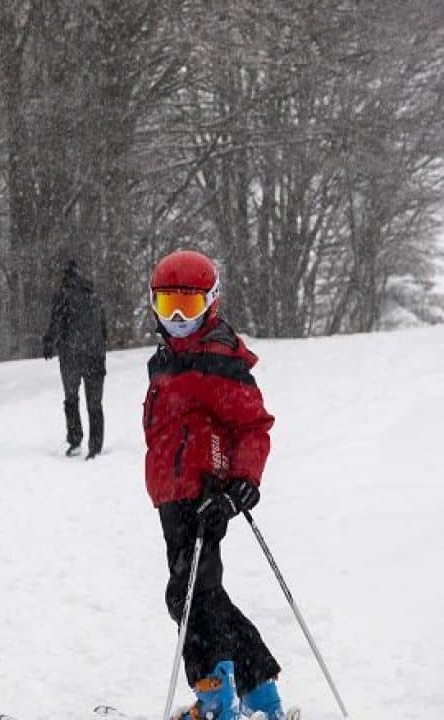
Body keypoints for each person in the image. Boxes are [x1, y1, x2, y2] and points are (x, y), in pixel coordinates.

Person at [144, 250, 289, 720]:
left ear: (212, 302)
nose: (180, 318)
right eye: (168, 305)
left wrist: (243, 481)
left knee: (189, 596)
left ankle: (215, 699)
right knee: (204, 595)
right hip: (170, 495)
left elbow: (254, 425)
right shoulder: (165, 360)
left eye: (189, 305)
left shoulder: (219, 362)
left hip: (205, 497)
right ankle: (259, 690)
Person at [42, 259, 107, 459]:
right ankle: (95, 446)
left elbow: (56, 322)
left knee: (71, 399)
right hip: (95, 355)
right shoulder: (94, 295)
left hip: (72, 355)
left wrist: (48, 343)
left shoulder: (63, 295)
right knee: (94, 404)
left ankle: (75, 439)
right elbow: (104, 327)